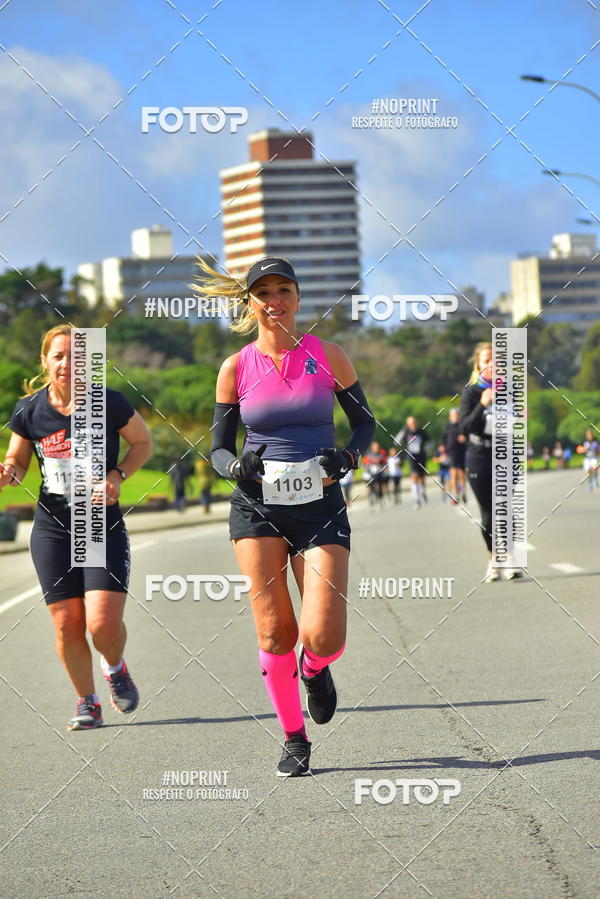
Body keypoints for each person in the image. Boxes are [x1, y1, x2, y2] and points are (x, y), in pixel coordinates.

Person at [197, 256, 375, 777]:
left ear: (297, 299)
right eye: (264, 293)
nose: (274, 301)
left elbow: (364, 426)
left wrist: (344, 459)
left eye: (284, 291)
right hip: (258, 506)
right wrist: (236, 464)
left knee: (325, 635)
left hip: (319, 504)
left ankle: (315, 668)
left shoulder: (329, 355)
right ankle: (294, 738)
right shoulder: (236, 367)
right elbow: (216, 449)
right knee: (275, 631)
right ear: (250, 303)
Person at [0, 325, 152, 729]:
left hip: (99, 524)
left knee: (101, 623)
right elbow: (16, 462)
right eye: (59, 356)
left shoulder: (109, 403)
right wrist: (8, 472)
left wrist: (118, 476)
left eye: (77, 357)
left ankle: (115, 665)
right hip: (51, 528)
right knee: (67, 621)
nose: (68, 364)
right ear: (45, 362)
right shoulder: (29, 409)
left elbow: (143, 443)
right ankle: (87, 701)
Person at [459, 341, 521, 583]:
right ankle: (493, 558)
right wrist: (483, 404)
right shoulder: (472, 392)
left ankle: (510, 558)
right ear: (479, 366)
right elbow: (465, 427)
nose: (493, 365)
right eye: (487, 361)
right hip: (479, 456)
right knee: (488, 513)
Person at [395, 416, 429, 509]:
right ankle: (416, 499)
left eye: (414, 422)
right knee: (414, 477)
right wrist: (403, 431)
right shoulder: (405, 431)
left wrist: (426, 448)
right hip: (411, 457)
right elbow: (396, 441)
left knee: (421, 477)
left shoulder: (421, 431)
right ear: (408, 424)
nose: (412, 425)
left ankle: (423, 492)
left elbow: (429, 441)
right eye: (410, 423)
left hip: (421, 457)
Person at [442, 408, 467, 504]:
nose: (455, 417)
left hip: (462, 451)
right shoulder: (447, 426)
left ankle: (464, 492)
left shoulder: (462, 425)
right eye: (453, 416)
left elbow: (467, 436)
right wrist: (443, 448)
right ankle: (456, 495)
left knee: (462, 474)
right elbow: (443, 438)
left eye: (456, 415)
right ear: (450, 417)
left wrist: (464, 438)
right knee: (453, 474)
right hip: (451, 452)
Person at [362, 441, 387, 508]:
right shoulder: (368, 454)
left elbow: (384, 463)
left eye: (377, 447)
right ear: (372, 447)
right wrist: (368, 468)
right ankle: (372, 497)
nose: (376, 448)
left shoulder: (381, 454)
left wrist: (384, 468)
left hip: (379, 472)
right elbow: (365, 464)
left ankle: (381, 499)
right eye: (375, 447)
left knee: (380, 486)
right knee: (371, 486)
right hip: (371, 473)